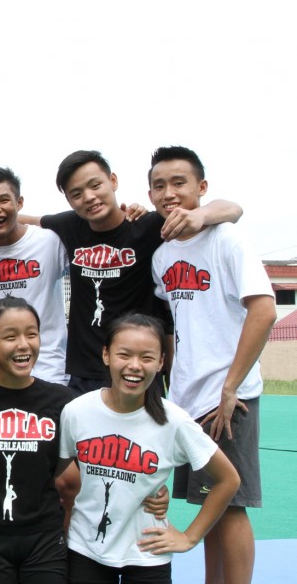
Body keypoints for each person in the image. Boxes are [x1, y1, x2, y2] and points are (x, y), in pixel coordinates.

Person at [0, 150, 243, 394]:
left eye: (95, 185)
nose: (89, 197)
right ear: (69, 201)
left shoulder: (148, 226)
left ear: (113, 181)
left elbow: (233, 208)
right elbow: (24, 220)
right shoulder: (70, 226)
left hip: (137, 365)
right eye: (77, 194)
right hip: (83, 370)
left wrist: (199, 215)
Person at [148, 146, 275, 584]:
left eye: (179, 182)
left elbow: (264, 311)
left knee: (232, 503)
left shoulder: (227, 240)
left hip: (228, 399)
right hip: (187, 397)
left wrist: (230, 387)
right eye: (159, 185)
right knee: (212, 503)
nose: (169, 193)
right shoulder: (162, 256)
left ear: (201, 188)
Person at [57, 314, 240, 583]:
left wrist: (189, 537)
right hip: (86, 549)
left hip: (147, 552)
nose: (134, 366)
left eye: (146, 357)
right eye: (124, 354)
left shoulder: (174, 421)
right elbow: (58, 473)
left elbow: (229, 479)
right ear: (106, 355)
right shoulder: (77, 411)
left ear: (161, 362)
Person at [0, 297, 73, 583]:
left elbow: (70, 467)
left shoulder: (62, 401)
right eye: (10, 337)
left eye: (31, 334)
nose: (23, 345)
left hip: (44, 536)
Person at [0, 168, 70, 386]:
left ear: (19, 203)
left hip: (49, 367)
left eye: (4, 200)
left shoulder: (49, 242)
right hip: (0, 369)